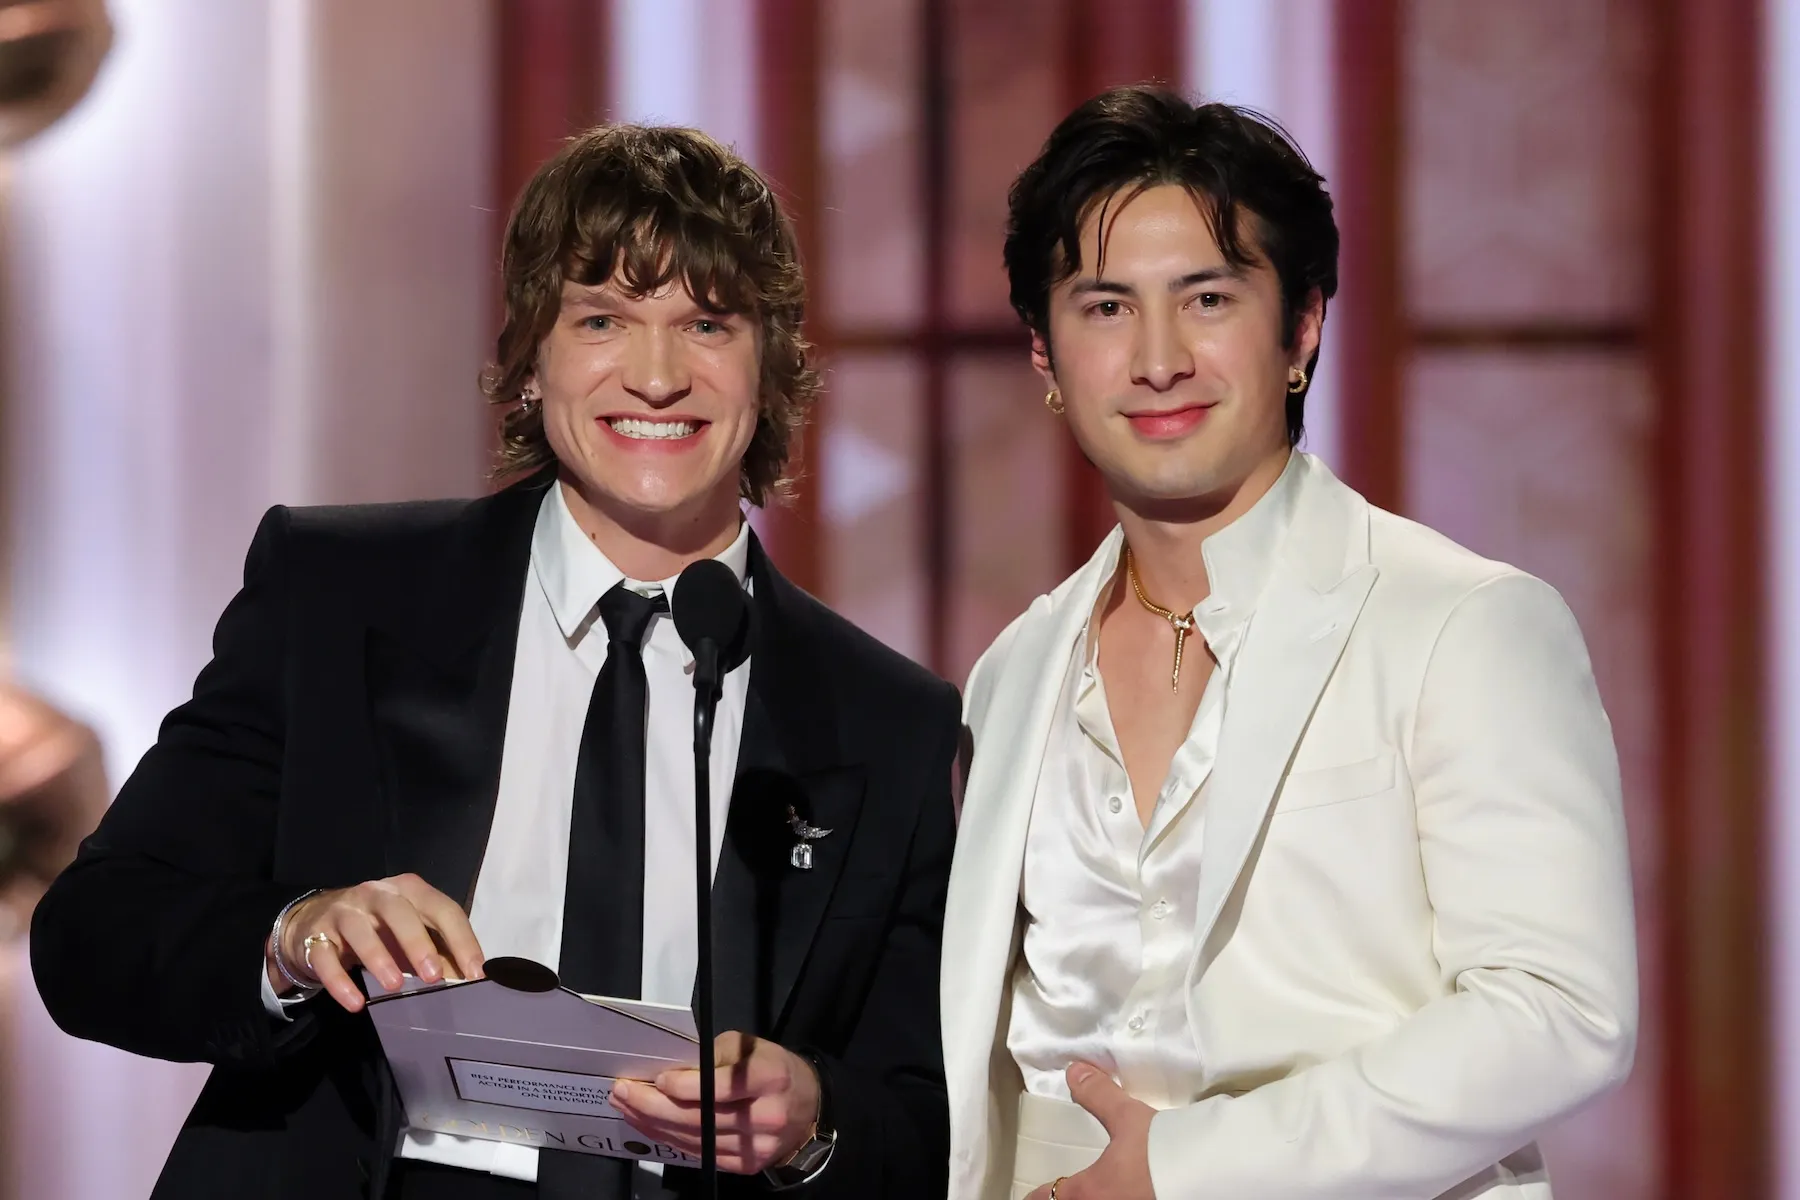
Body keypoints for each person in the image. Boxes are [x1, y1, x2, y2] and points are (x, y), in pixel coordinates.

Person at [31, 124, 959, 1200]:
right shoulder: (337, 596)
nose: (657, 377)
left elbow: (925, 1122)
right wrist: (297, 934)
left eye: (707, 324)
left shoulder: (887, 720)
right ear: (532, 359)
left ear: (774, 363)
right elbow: (93, 936)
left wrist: (812, 1121)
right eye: (602, 320)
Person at [941, 86, 1636, 1200]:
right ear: (1044, 354)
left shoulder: (1466, 623)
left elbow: (1560, 1012)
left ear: (1302, 325)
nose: (1158, 359)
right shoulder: (1014, 672)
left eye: (1208, 299)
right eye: (1106, 308)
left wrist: (1188, 1168)